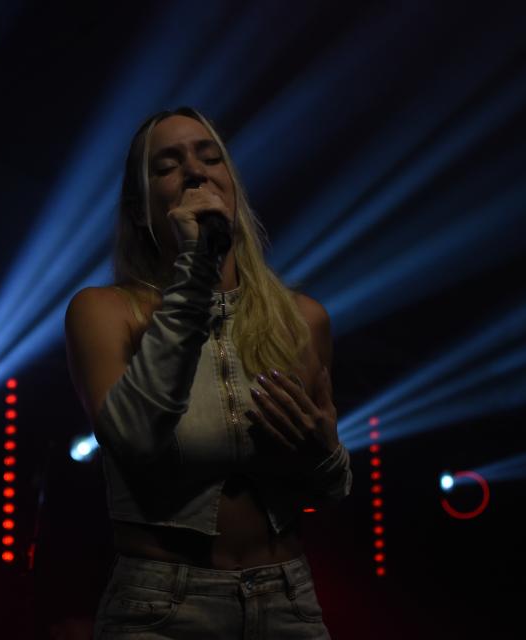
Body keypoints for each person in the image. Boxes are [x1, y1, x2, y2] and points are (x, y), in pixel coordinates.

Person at [64, 106, 352, 639]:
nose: (195, 172)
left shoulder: (303, 320)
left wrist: (325, 457)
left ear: (232, 185)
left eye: (210, 157)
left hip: (288, 603)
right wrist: (196, 269)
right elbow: (133, 439)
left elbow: (330, 493)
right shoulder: (106, 312)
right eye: (167, 165)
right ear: (140, 208)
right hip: (162, 608)